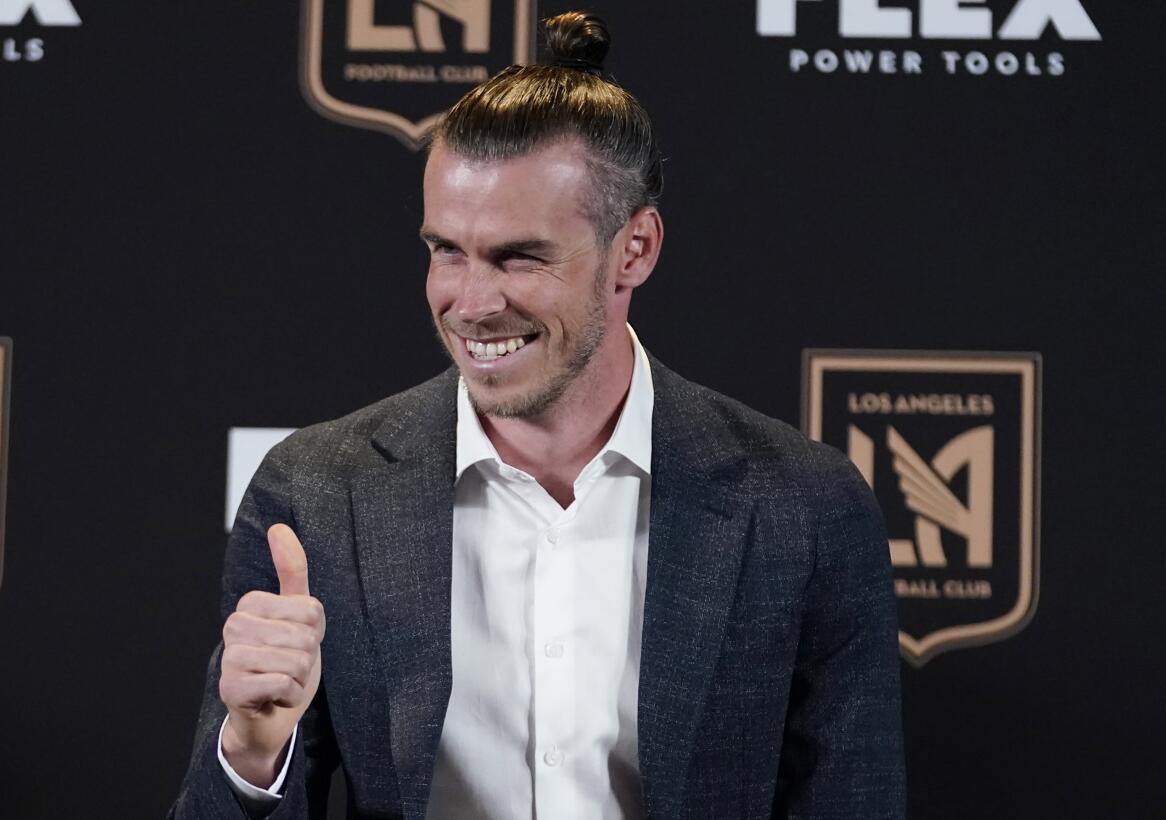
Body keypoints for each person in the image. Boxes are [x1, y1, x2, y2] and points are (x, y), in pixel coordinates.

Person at [171, 11, 905, 819]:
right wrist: (249, 752)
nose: (472, 304)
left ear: (636, 250)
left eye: (519, 257)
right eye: (446, 250)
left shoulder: (806, 507)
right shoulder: (315, 493)